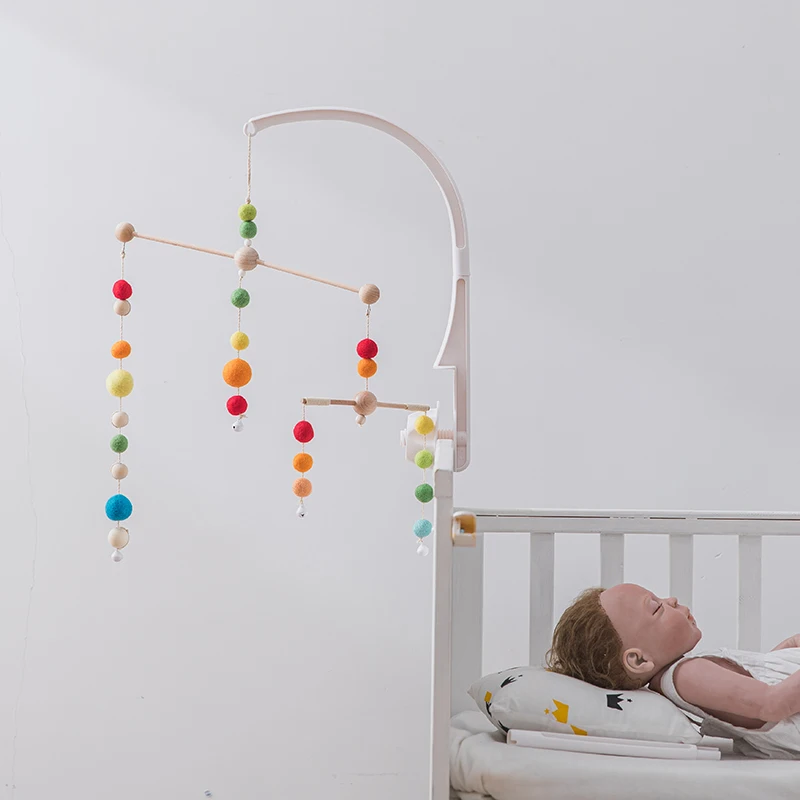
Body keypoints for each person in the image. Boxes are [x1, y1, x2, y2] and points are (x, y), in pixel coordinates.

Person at [546, 584, 800, 758]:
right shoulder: (687, 675)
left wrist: (784, 651)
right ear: (639, 660)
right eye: (656, 607)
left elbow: (760, 682)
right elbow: (772, 704)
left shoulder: (684, 674)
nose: (672, 600)